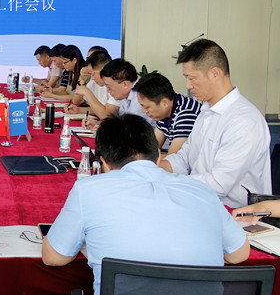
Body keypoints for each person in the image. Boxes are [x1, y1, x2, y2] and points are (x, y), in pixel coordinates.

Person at [42, 114, 249, 295]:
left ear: (103, 163)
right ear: (158, 157)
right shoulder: (203, 191)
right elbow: (239, 254)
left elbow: (54, 257)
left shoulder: (87, 190)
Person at [160, 39, 270, 208]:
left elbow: (219, 184)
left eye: (191, 78)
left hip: (236, 214)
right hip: (203, 205)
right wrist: (157, 167)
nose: (188, 86)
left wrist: (169, 182)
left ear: (215, 74)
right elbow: (185, 158)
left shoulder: (244, 121)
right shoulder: (206, 112)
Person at [133, 72, 200, 155]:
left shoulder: (186, 114)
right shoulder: (165, 112)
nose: (144, 111)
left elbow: (173, 158)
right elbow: (151, 150)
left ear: (164, 103)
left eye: (147, 107)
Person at [66, 50, 120, 121]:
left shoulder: (116, 85)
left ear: (102, 70)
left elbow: (106, 115)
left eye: (93, 74)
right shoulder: (94, 82)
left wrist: (86, 92)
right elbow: (76, 101)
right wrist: (78, 110)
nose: (92, 78)